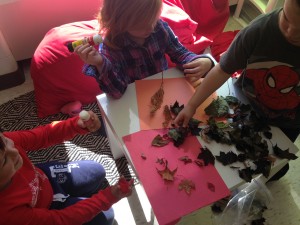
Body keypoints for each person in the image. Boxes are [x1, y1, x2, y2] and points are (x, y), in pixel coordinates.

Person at [175, 0, 300, 179]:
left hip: (288, 122)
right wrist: (192, 105)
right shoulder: (258, 31)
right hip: (245, 102)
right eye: (286, 19)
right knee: (232, 158)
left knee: (274, 168)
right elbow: (222, 70)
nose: (290, 32)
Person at [0, 110, 133, 225]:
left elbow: (45, 134)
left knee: (97, 170)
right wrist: (105, 198)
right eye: (4, 160)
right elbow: (62, 219)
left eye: (6, 141)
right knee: (106, 215)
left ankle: (80, 198)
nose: (15, 151)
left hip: (45, 178)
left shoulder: (3, 143)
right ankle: (79, 199)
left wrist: (75, 125)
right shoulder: (8, 215)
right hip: (47, 208)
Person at [73, 0, 216, 100]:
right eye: (142, 25)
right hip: (135, 99)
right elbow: (117, 93)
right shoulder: (112, 47)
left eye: (153, 20)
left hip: (164, 89)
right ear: (120, 22)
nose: (151, 28)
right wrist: (100, 64)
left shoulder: (160, 27)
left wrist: (204, 61)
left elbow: (180, 53)